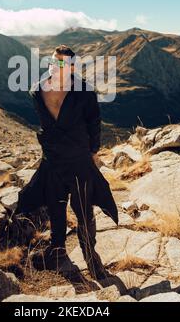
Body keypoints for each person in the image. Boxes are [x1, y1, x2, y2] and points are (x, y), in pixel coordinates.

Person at [13, 44, 118, 280]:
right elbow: (46, 124)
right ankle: (57, 251)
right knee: (55, 207)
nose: (55, 66)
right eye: (52, 61)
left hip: (79, 159)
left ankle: (92, 259)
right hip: (52, 160)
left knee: (84, 211)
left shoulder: (84, 92)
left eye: (62, 63)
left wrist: (93, 152)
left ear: (71, 67)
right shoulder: (36, 91)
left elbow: (94, 124)